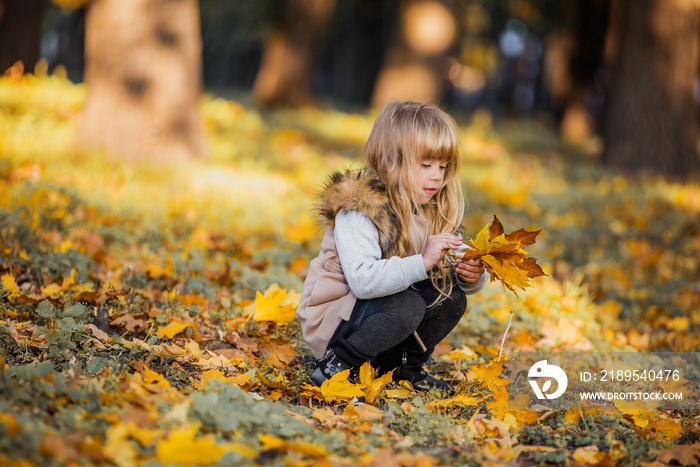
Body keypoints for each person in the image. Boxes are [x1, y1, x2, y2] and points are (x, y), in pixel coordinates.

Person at [296, 101, 488, 392]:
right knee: (408, 305)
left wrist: (470, 274)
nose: (437, 176)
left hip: (381, 310)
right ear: (389, 161)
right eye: (426, 165)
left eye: (443, 166)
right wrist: (423, 261)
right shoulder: (360, 211)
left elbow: (455, 266)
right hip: (335, 317)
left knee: (452, 299)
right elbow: (362, 281)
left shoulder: (429, 210)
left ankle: (402, 368)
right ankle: (336, 366)